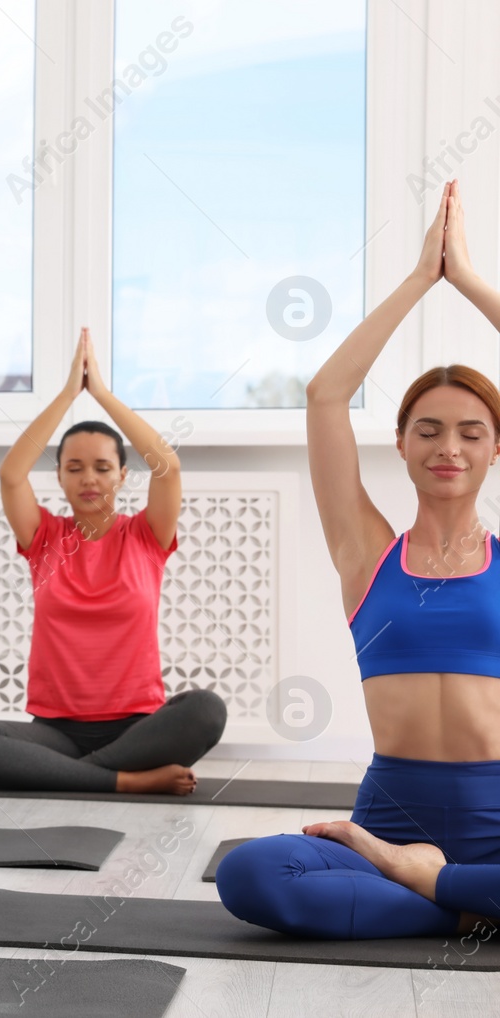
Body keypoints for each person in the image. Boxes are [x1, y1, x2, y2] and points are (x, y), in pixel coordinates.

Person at [216, 179, 500, 938]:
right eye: (429, 429)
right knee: (250, 874)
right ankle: (463, 900)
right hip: (388, 824)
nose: (449, 447)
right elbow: (326, 396)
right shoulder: (368, 553)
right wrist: (418, 281)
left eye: (472, 432)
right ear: (402, 443)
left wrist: (467, 279)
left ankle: (438, 887)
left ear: (496, 448)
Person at [0, 327, 227, 794]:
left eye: (101, 467)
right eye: (74, 468)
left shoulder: (146, 535)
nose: (88, 479)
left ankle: (73, 777)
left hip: (139, 729)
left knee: (206, 709)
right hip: (55, 732)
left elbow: (168, 466)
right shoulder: (44, 539)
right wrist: (66, 396)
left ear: (121, 474)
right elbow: (11, 473)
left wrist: (101, 394)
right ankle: (123, 781)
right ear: (58, 476)